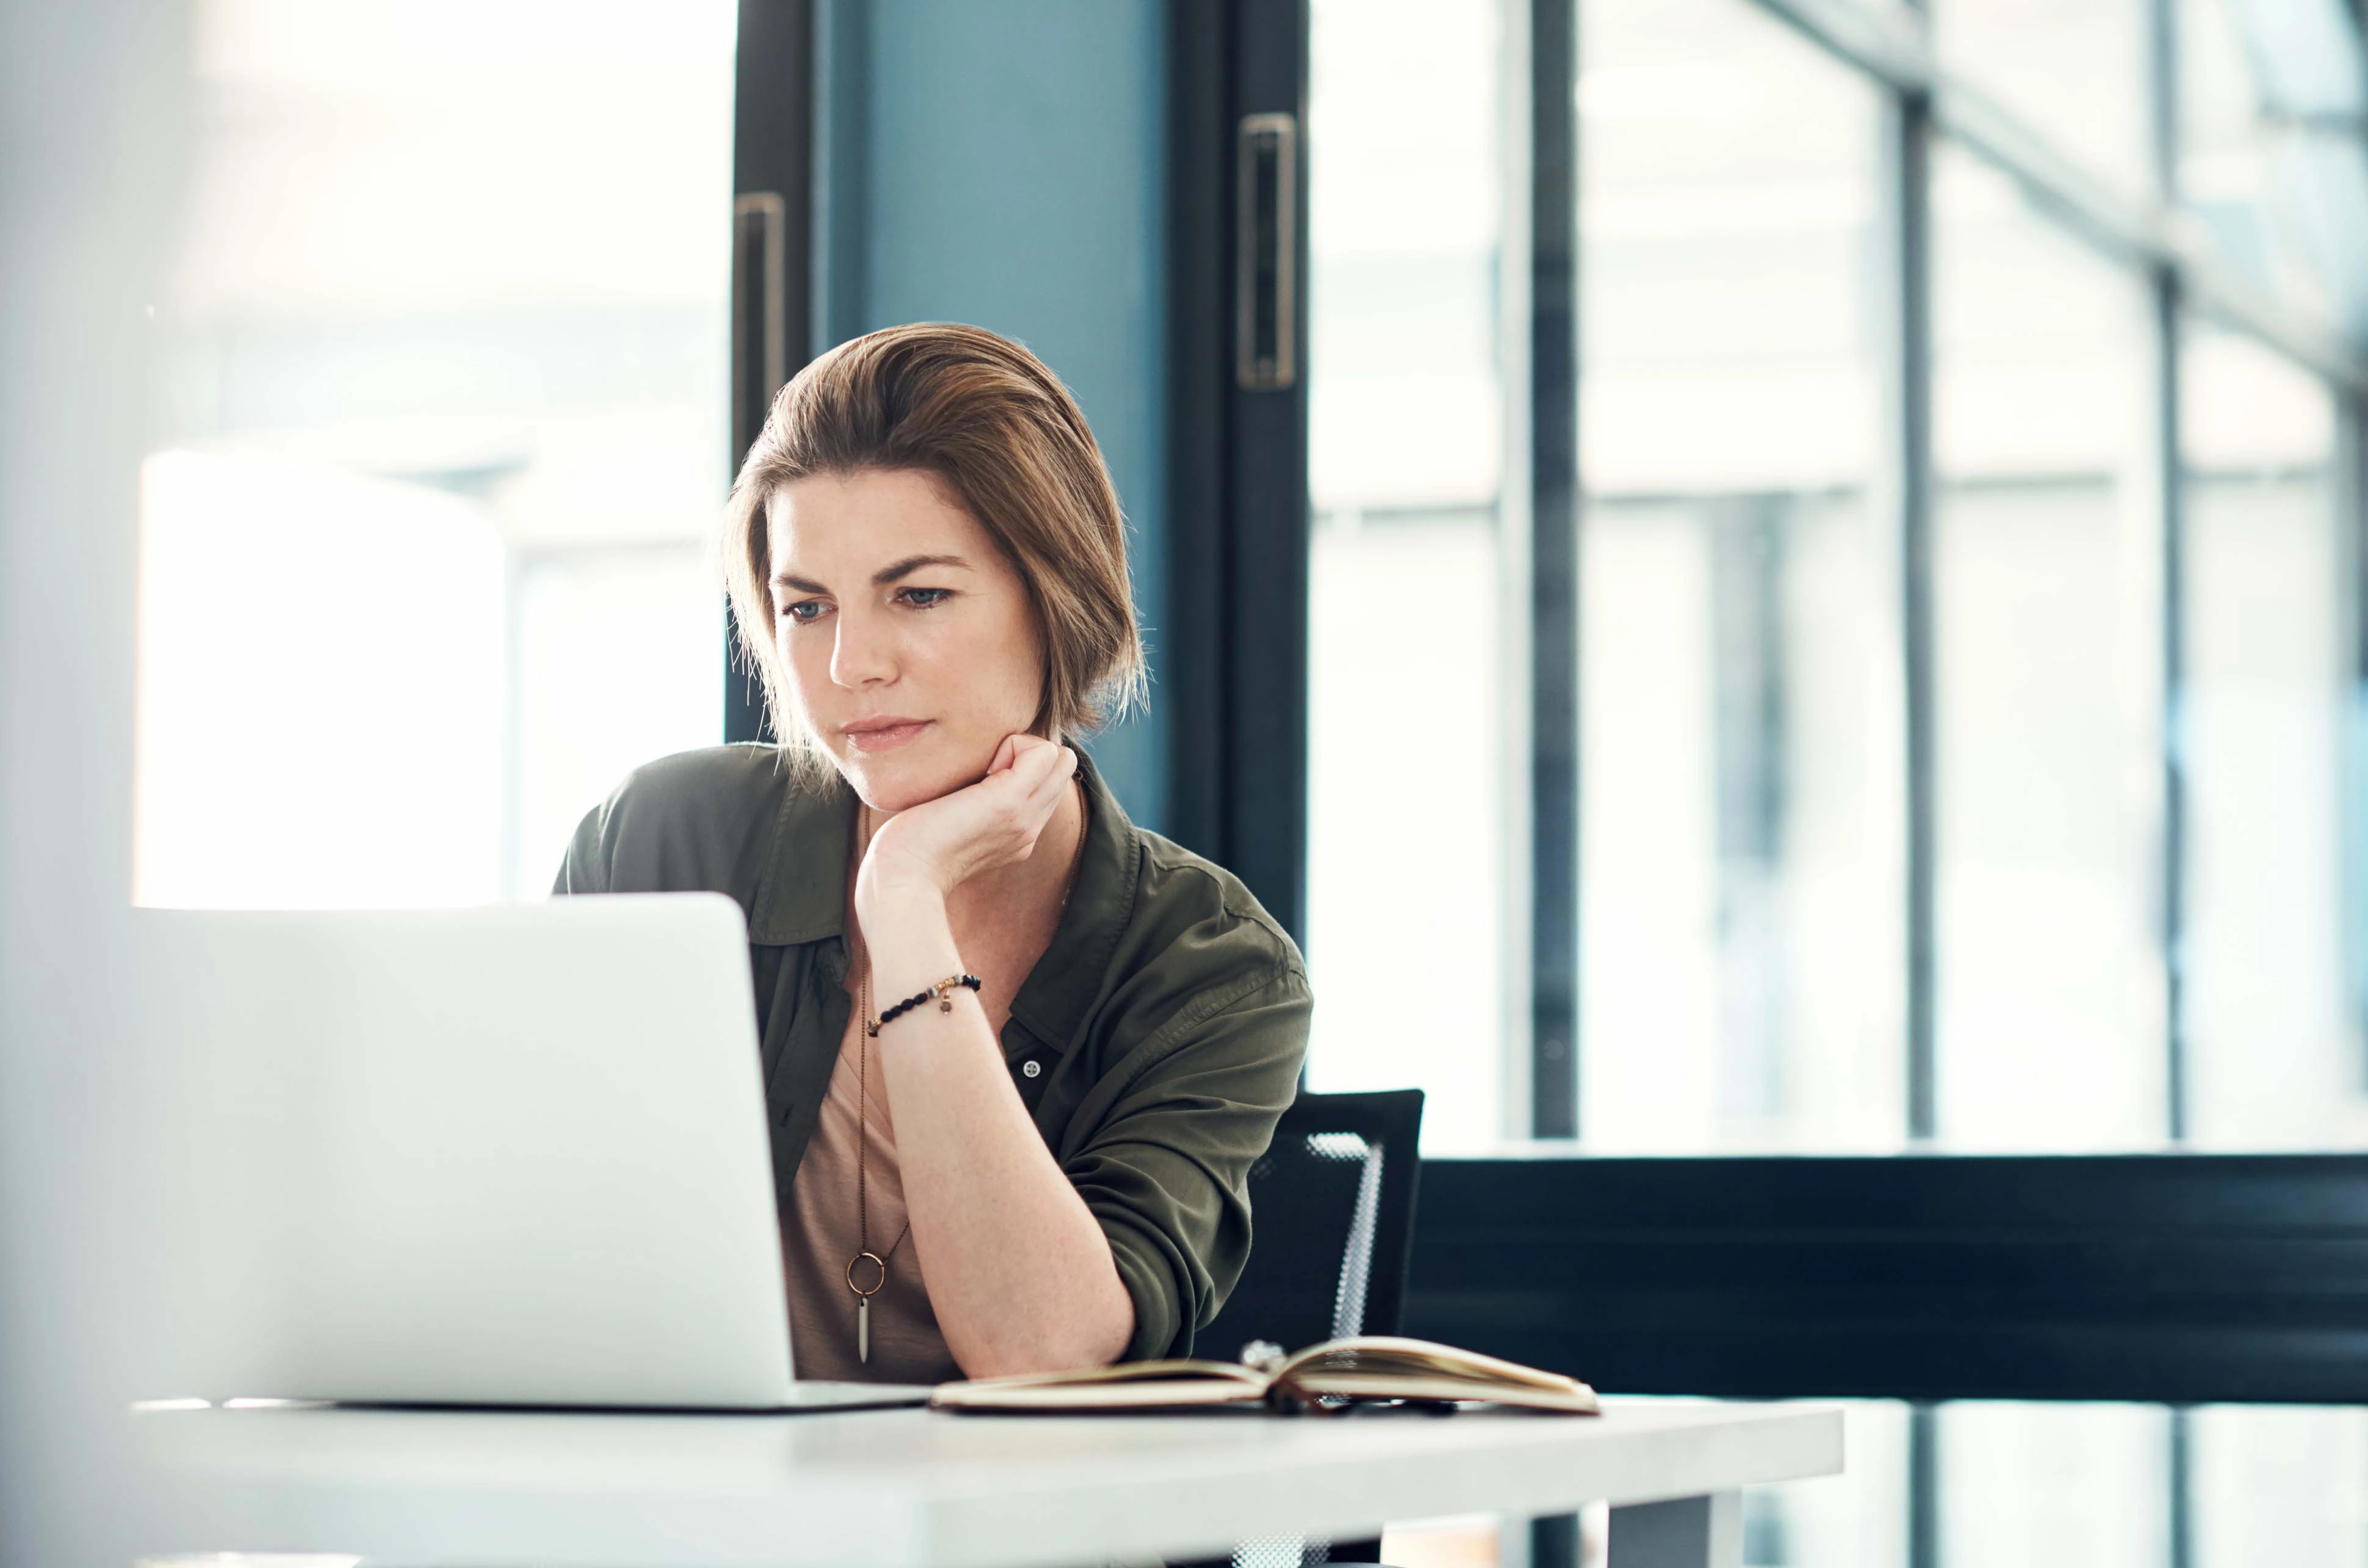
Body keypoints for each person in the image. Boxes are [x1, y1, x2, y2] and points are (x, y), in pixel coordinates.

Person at [555, 322, 1310, 1383]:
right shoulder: (668, 842)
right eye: (806, 608)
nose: (851, 665)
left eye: (918, 596)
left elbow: (1038, 1353)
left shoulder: (1211, 968)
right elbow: (526, 1243)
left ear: (1057, 602)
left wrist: (905, 903)